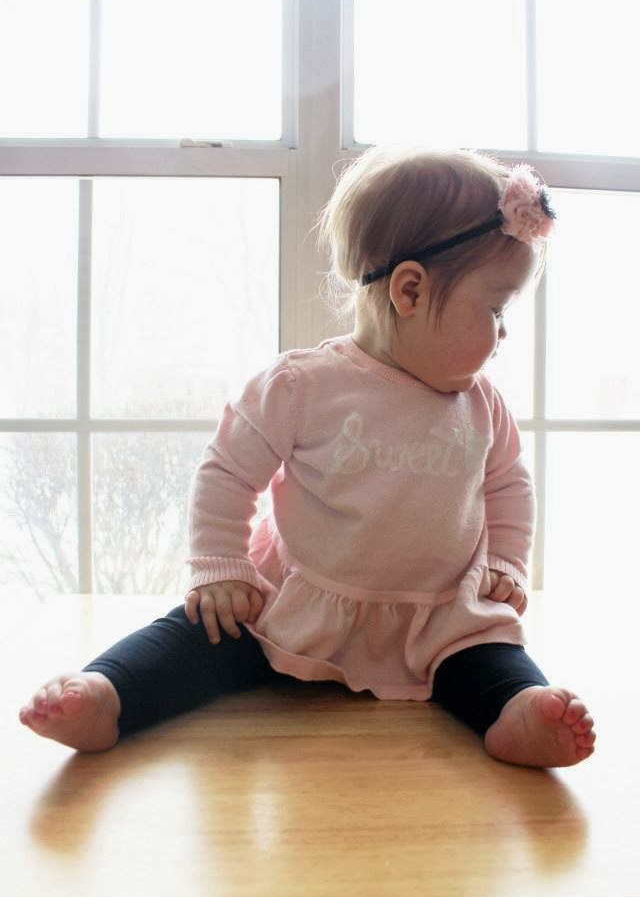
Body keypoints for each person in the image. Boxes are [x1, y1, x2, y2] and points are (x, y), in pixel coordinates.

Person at [19, 146, 596, 768]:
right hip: (294, 606)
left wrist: (506, 561)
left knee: (490, 652)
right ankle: (109, 694)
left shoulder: (481, 404)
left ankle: (517, 711)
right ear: (409, 290)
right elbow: (227, 470)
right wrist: (222, 566)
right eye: (495, 310)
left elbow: (509, 484)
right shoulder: (303, 385)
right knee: (200, 634)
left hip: (437, 618)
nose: (503, 334)